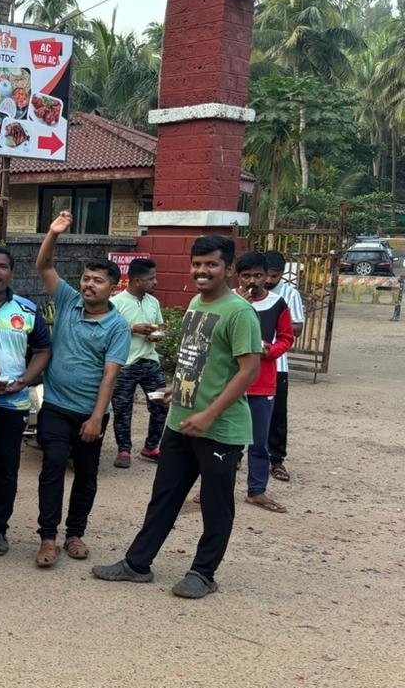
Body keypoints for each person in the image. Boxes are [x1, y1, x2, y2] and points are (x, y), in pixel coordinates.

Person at [92, 235, 262, 598]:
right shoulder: (197, 303)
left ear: (229, 269)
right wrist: (176, 386)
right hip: (181, 421)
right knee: (164, 497)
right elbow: (197, 357)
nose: (202, 271)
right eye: (197, 264)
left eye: (212, 264)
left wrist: (210, 413)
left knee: (216, 504)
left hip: (220, 429)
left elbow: (248, 370)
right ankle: (137, 564)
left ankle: (203, 573)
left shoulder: (239, 312)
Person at [34, 213, 131, 568]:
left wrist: (96, 418)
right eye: (87, 278)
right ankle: (48, 538)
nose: (89, 285)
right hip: (55, 406)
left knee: (86, 475)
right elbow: (44, 265)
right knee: (53, 466)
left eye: (98, 281)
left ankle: (75, 533)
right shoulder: (67, 300)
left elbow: (110, 376)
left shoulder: (118, 327)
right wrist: (53, 233)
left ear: (113, 288)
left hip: (91, 413)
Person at [0, 246, 52, 556]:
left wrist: (25, 380)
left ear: (12, 273)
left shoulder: (27, 310)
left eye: (2, 267)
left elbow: (43, 350)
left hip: (11, 403)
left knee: (4, 470)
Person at [237, 252, 295, 514]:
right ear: (238, 277)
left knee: (259, 441)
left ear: (266, 276)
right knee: (226, 440)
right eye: (246, 275)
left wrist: (270, 350)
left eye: (258, 275)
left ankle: (256, 490)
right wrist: (240, 306)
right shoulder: (231, 302)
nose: (253, 281)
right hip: (232, 381)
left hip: (263, 381)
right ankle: (214, 487)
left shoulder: (277, 303)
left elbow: (286, 338)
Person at [110, 257, 168, 468]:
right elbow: (107, 331)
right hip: (124, 364)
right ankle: (123, 450)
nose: (155, 282)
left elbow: (161, 327)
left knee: (161, 403)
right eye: (151, 278)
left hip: (150, 362)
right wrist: (132, 329)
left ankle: (151, 447)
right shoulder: (116, 303)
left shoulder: (153, 302)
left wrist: (157, 334)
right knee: (122, 409)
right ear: (136, 281)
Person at [262, 250, 305, 484]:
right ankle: (235, 455)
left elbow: (297, 328)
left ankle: (276, 459)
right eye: (266, 275)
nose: (269, 280)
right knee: (241, 409)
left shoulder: (289, 294)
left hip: (277, 363)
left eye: (275, 276)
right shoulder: (248, 293)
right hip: (248, 362)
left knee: (277, 413)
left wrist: (273, 322)